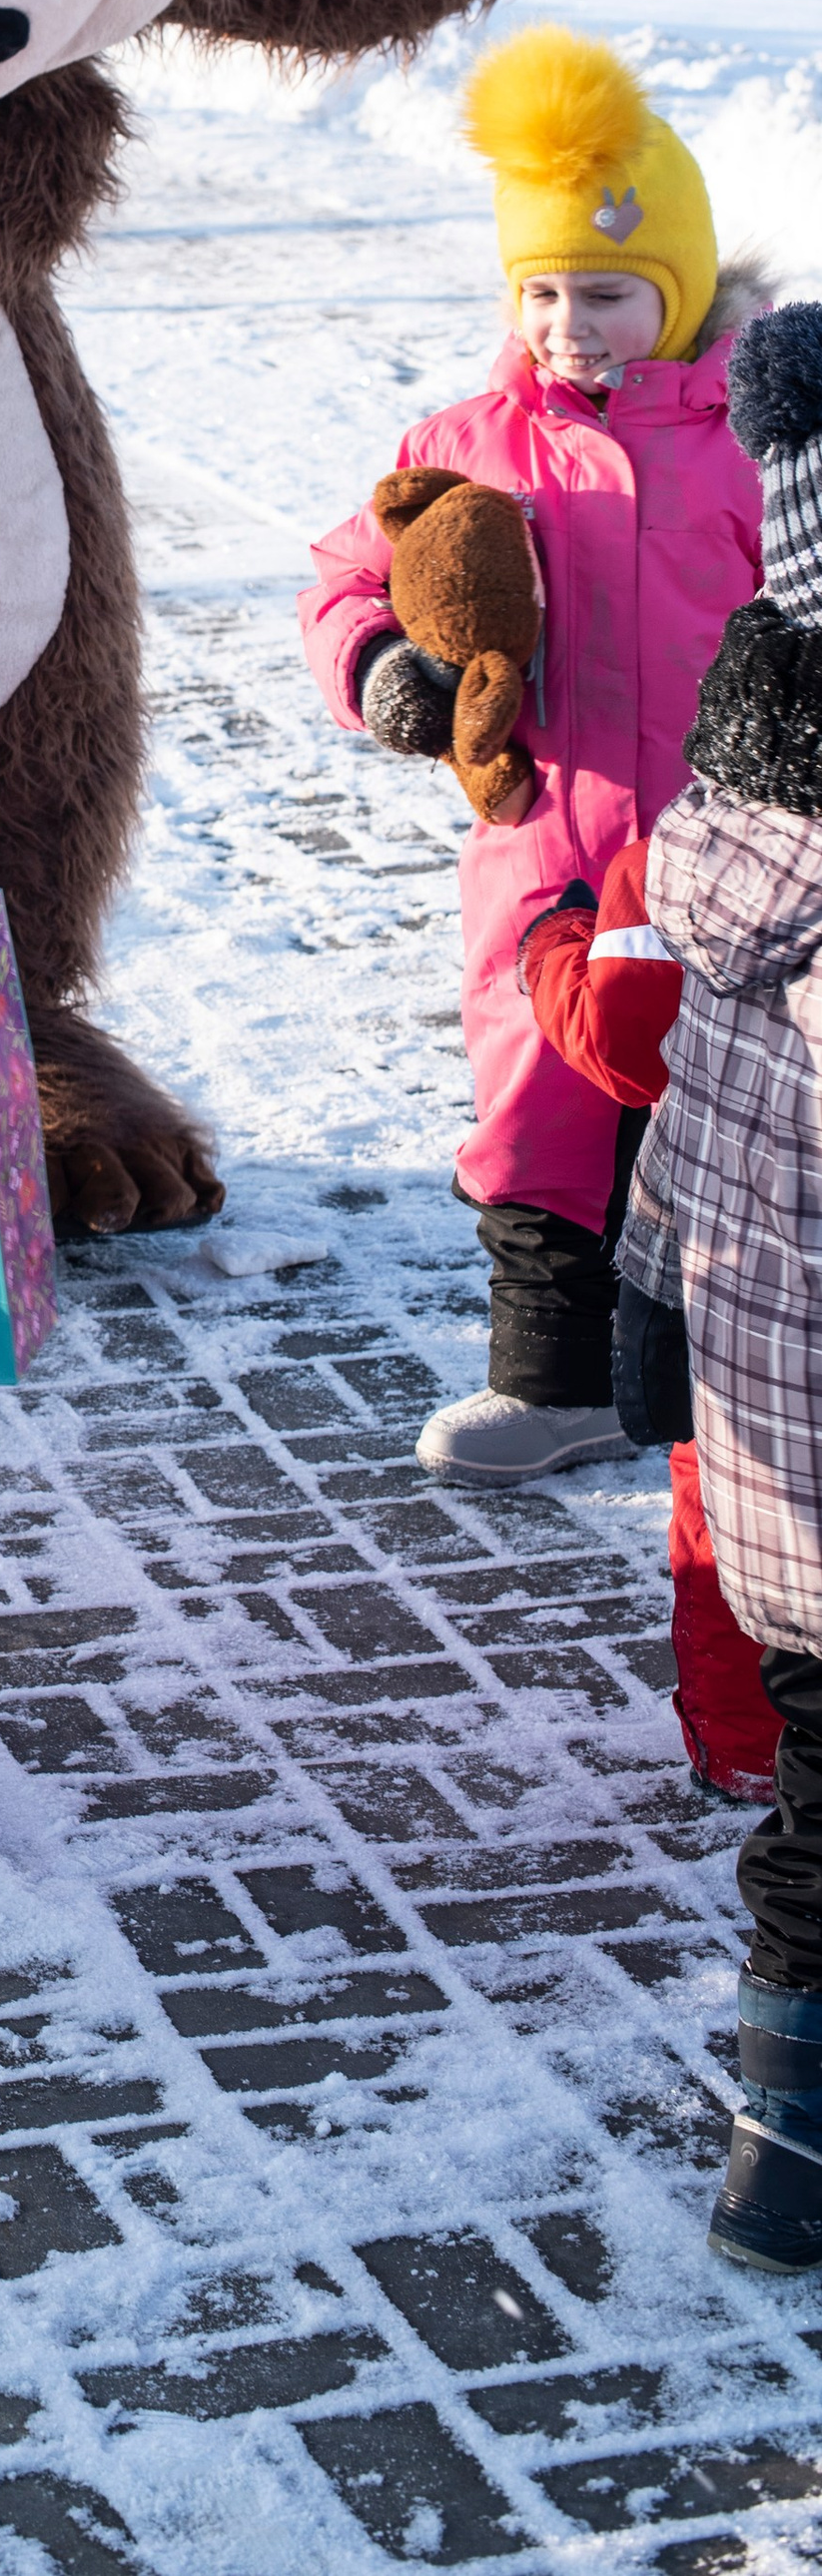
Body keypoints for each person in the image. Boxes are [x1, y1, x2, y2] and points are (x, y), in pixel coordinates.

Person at [300, 25, 766, 1485]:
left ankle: (740, 1379)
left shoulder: (752, 442)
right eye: (542, 291)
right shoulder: (468, 441)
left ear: (679, 289)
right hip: (541, 853)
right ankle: (554, 1379)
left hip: (730, 854)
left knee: (735, 1111)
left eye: (609, 293)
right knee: (539, 1110)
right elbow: (350, 575)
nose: (572, 324)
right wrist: (384, 666)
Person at [583, 307, 822, 2272]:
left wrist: (647, 1317)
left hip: (776, 1491)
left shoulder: (736, 851)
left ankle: (777, 2150)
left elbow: (685, 1139)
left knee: (816, 1820)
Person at [518, 852, 779, 1806]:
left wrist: (554, 945)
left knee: (731, 1501)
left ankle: (753, 1747)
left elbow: (626, 1048)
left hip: (735, 1254)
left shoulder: (676, 864)